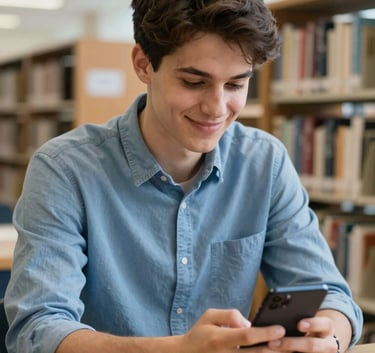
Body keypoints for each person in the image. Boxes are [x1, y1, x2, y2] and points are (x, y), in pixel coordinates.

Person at [4, 1, 362, 352]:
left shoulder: (264, 161)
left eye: (236, 85)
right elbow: (37, 330)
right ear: (144, 65)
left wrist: (327, 338)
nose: (217, 108)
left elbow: (330, 294)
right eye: (194, 82)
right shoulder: (64, 169)